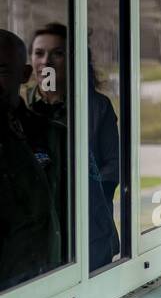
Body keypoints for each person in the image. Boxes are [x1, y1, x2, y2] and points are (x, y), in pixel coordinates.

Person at [27, 22, 120, 270]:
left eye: (57, 53)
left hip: (87, 235)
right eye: (39, 53)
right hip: (36, 239)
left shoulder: (96, 107)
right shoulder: (22, 107)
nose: (46, 62)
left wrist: (86, 195)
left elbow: (114, 166)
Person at [0, 29, 65, 291]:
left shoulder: (50, 133)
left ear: (24, 75)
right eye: (41, 53)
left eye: (2, 71)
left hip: (45, 281)